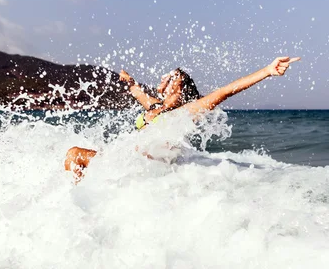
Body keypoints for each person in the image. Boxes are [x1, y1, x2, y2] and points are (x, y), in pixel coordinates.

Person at [64, 56, 300, 181]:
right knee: (73, 156)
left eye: (174, 81)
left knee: (76, 154)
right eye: (168, 78)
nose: (167, 82)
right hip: (125, 162)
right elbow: (134, 88)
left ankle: (75, 205)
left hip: (147, 170)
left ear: (182, 93)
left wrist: (267, 71)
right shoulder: (154, 106)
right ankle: (76, 203)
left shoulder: (189, 111)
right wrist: (128, 80)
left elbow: (226, 91)